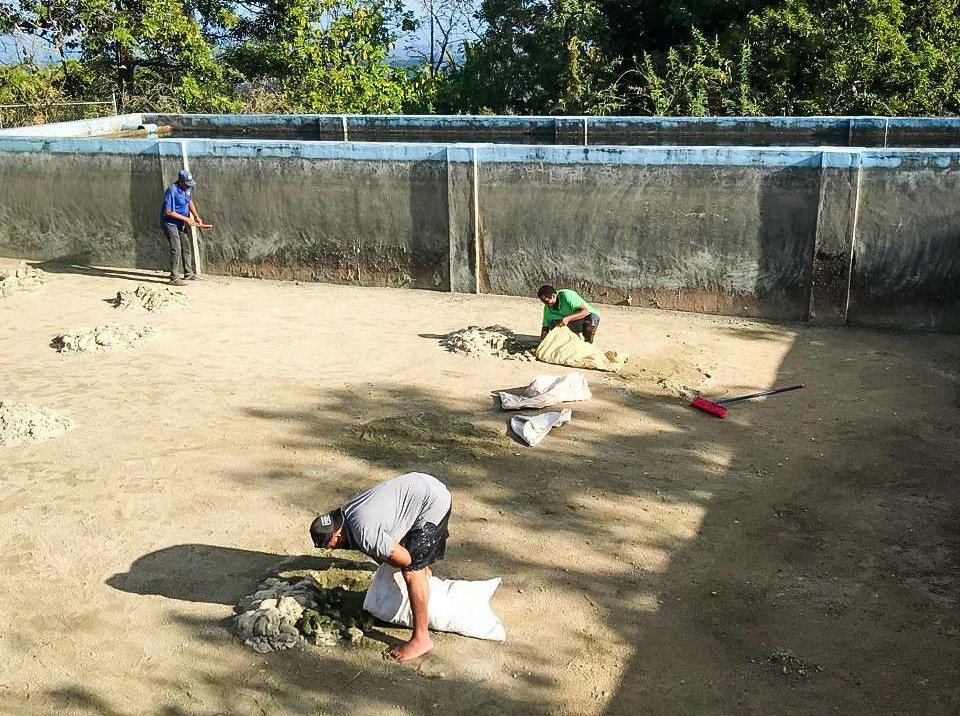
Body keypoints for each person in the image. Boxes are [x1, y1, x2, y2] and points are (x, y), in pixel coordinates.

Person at [309, 472, 452, 662]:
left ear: (335, 537)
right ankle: (425, 574)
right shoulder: (348, 512)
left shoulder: (363, 531)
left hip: (432, 503)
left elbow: (405, 559)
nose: (331, 550)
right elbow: (380, 543)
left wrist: (404, 561)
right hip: (422, 486)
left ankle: (421, 639)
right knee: (408, 555)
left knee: (412, 571)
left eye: (328, 546)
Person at [160, 169, 204, 286]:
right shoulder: (172, 191)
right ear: (180, 181)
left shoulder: (187, 188)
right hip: (170, 223)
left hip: (181, 223)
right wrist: (187, 219)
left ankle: (188, 273)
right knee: (176, 248)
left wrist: (196, 216)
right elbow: (168, 212)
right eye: (186, 184)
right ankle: (174, 277)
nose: (188, 186)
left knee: (186, 246)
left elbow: (189, 202)